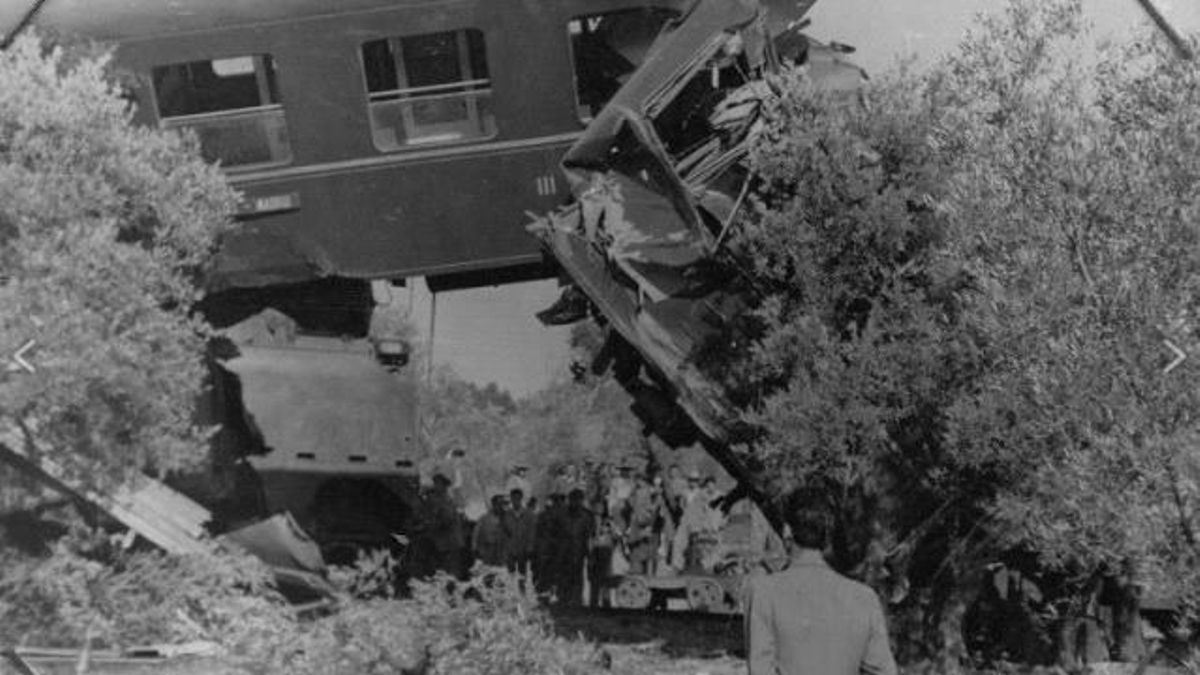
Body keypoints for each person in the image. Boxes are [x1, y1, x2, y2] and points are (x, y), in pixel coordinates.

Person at [744, 492, 897, 675]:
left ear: (787, 531)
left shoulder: (763, 592)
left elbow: (760, 670)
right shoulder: (865, 598)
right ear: (827, 535)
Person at [424, 473, 466, 577]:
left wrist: (429, 526)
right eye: (435, 483)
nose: (435, 486)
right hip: (446, 542)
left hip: (448, 542)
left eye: (438, 483)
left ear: (444, 485)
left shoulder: (445, 500)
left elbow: (446, 519)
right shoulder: (443, 499)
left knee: (449, 571)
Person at [559, 488, 594, 606]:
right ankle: (563, 598)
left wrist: (589, 555)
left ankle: (577, 599)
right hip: (563, 550)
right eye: (573, 500)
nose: (576, 503)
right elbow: (556, 534)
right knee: (564, 575)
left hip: (578, 550)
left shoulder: (586, 516)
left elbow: (589, 537)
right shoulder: (562, 515)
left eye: (578, 500)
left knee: (577, 575)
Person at [473, 494, 509, 567]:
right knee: (489, 570)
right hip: (488, 550)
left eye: (502, 504)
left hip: (503, 551)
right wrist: (475, 548)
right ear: (494, 504)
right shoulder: (484, 518)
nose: (500, 507)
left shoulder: (508, 518)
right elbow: (476, 534)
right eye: (498, 504)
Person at [507, 488, 537, 576]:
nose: (515, 501)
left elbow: (532, 532)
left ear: (521, 498)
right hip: (510, 550)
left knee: (522, 574)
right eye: (513, 498)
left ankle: (522, 589)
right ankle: (511, 589)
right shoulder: (506, 514)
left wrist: (530, 547)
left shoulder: (529, 514)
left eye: (517, 498)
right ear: (511, 499)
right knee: (510, 575)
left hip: (523, 549)